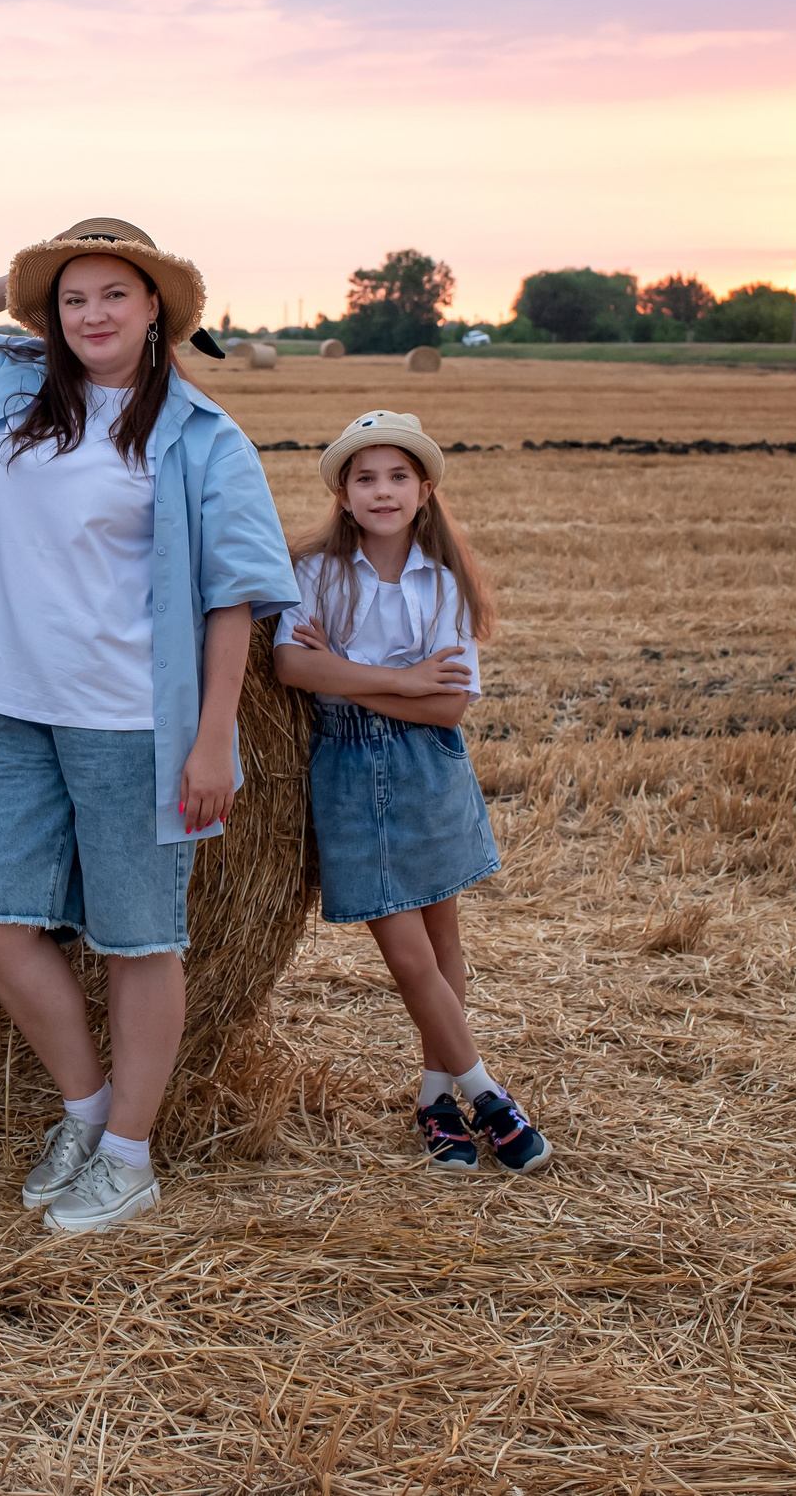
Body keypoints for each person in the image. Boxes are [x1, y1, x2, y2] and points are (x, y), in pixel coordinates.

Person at [0, 219, 294, 1234]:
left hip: (132, 720)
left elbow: (234, 597)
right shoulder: (10, 389)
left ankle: (130, 1156)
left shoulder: (201, 435)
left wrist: (213, 736)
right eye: (72, 297)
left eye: (113, 293)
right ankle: (88, 1110)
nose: (91, 313)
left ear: (156, 308)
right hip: (17, 709)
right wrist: (15, 285)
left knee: (139, 940)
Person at [271, 411, 551, 1174]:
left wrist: (351, 676)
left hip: (431, 764)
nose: (382, 490)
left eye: (397, 476)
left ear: (424, 490)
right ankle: (487, 1092)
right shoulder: (314, 573)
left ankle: (435, 1098)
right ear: (343, 493)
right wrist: (402, 679)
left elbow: (447, 706)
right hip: (350, 775)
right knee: (407, 958)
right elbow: (296, 670)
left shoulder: (445, 580)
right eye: (365, 478)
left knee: (442, 944)